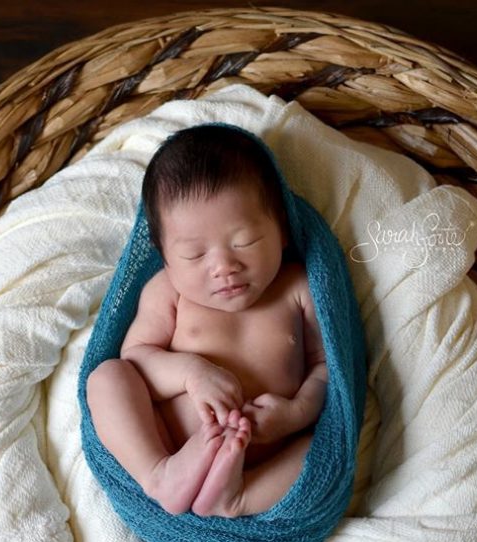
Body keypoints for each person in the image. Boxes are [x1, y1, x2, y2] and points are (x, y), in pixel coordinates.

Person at [86, 125, 328, 518]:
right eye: (195, 255)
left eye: (244, 241)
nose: (223, 267)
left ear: (282, 228)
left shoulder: (298, 286)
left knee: (324, 449)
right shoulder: (168, 291)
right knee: (107, 378)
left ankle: (235, 498)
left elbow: (326, 367)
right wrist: (190, 374)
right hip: (172, 442)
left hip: (263, 451)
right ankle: (157, 473)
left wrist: (296, 413)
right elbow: (137, 358)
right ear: (163, 254)